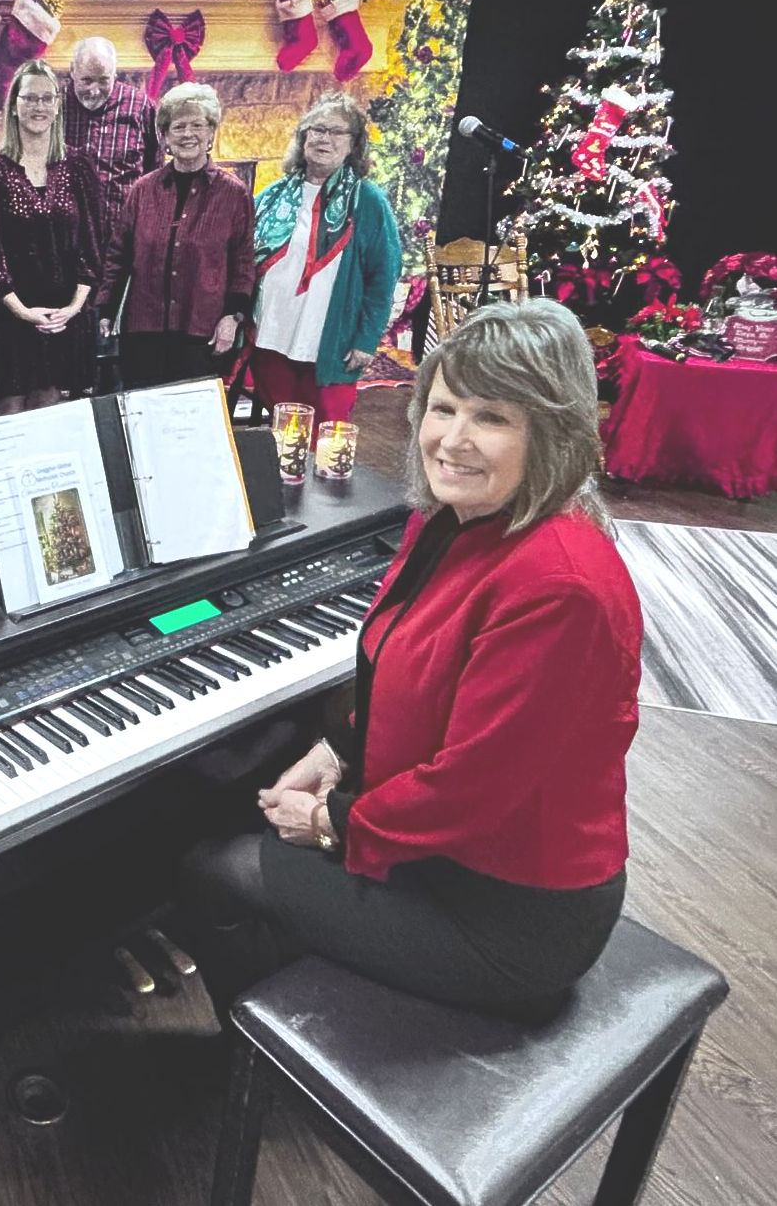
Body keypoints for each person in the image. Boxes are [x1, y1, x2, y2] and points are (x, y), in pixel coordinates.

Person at [177, 299, 642, 1019]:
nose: (452, 440)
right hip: (446, 849)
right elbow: (409, 679)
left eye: (492, 418)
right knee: (238, 800)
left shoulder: (560, 585)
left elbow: (471, 788)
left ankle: (268, 1054)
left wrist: (332, 822)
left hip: (505, 909)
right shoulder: (450, 518)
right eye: (443, 407)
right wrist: (338, 752)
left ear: (552, 432)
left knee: (214, 866)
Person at [248, 92, 399, 433]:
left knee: (325, 429)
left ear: (353, 144)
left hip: (329, 340)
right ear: (303, 137)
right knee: (283, 426)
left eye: (336, 131)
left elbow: (383, 276)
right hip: (272, 332)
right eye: (316, 129)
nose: (323, 138)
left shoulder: (368, 201)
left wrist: (366, 339)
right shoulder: (272, 195)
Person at [0, 60, 104, 415]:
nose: (39, 106)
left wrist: (72, 308)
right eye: (30, 98)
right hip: (7, 318)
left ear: (57, 105)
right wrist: (24, 312)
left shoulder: (79, 167)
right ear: (14, 105)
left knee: (48, 419)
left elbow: (92, 244)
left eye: (47, 98)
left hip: (62, 317)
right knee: (11, 420)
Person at [95, 83, 254, 390]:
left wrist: (232, 318)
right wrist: (106, 309)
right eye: (178, 127)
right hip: (143, 331)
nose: (187, 134)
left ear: (211, 132)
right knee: (143, 410)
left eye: (197, 125)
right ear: (165, 137)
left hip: (202, 332)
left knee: (192, 414)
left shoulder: (234, 194)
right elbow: (118, 255)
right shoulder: (143, 190)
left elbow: (243, 262)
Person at [63, 37, 160, 251]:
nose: (94, 90)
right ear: (72, 71)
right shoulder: (54, 105)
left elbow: (155, 175)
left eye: (103, 80)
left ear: (115, 74)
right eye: (86, 80)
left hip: (123, 242)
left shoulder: (141, 107)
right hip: (67, 244)